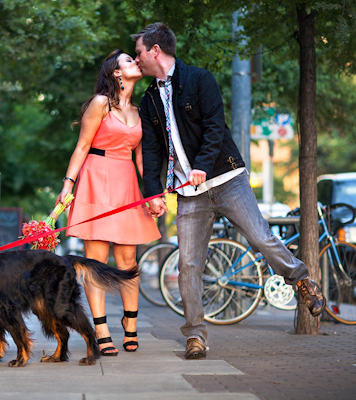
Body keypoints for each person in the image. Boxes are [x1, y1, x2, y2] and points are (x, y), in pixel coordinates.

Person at [132, 22, 326, 360]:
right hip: (190, 195)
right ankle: (195, 337)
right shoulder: (149, 99)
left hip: (226, 179)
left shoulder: (199, 80)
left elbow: (213, 126)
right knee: (189, 266)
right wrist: (152, 192)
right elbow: (152, 151)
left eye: (138, 53)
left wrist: (202, 166)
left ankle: (300, 279)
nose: (137, 60)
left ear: (155, 51)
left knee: (261, 237)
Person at [56, 50, 161, 356]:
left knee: (128, 260)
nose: (135, 63)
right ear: (116, 73)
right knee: (97, 263)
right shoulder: (100, 103)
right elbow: (82, 146)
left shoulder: (140, 111)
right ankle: (100, 329)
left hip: (126, 183)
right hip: (95, 181)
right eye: (128, 61)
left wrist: (153, 196)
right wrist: (68, 185)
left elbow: (142, 159)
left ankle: (130, 324)